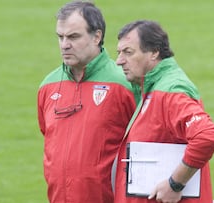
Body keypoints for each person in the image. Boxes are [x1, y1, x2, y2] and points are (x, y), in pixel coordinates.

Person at [37, 1, 139, 202]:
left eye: (73, 37)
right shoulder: (47, 86)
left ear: (97, 37)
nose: (65, 44)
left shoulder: (125, 84)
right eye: (61, 37)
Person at [113, 20, 214, 203]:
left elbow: (207, 136)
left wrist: (175, 184)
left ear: (154, 52)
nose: (119, 61)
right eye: (119, 53)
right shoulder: (150, 87)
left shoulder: (171, 90)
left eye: (128, 52)